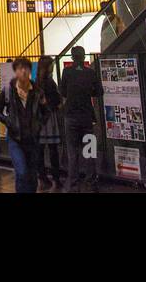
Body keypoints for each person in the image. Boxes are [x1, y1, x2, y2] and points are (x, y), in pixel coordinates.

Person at [0, 56, 42, 193]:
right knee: (21, 172)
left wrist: (39, 124)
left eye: (26, 68)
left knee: (32, 175)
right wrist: (8, 121)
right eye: (20, 68)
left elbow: (45, 110)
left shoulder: (37, 91)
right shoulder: (8, 91)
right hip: (15, 138)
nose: (23, 71)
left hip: (32, 139)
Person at [60, 46, 102, 192]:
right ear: (84, 57)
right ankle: (91, 183)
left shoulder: (67, 72)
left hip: (70, 116)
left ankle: (73, 184)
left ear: (72, 58)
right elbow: (99, 92)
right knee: (89, 152)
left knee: (72, 152)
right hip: (87, 118)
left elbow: (63, 91)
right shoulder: (90, 73)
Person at [36, 56, 64, 189]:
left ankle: (42, 177)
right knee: (53, 150)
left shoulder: (37, 82)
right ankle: (56, 179)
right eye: (51, 64)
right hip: (49, 118)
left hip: (39, 120)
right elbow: (57, 101)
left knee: (40, 150)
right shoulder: (49, 82)